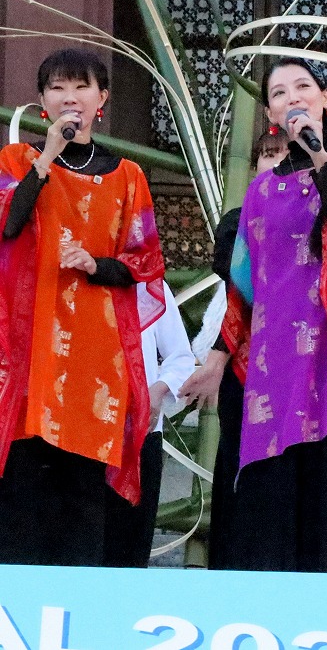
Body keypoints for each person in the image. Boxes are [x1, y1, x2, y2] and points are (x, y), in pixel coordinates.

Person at [190, 56, 327, 573]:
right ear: (270, 113)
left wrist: (321, 159)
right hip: (278, 365)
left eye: (302, 86)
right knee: (274, 507)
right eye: (279, 93)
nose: (293, 98)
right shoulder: (262, 190)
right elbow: (244, 284)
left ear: (325, 99)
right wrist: (218, 357)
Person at [0, 47, 166, 566]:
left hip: (97, 352)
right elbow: (7, 226)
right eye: (57, 88)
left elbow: (143, 262)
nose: (69, 97)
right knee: (24, 481)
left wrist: (96, 264)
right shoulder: (16, 161)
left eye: (81, 86)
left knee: (83, 490)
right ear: (43, 102)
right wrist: (46, 157)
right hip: (30, 347)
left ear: (102, 99)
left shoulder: (128, 176)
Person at [182, 128, 287, 569]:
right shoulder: (237, 219)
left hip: (299, 371)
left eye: (284, 154)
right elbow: (235, 271)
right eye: (266, 155)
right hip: (243, 367)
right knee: (239, 465)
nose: (274, 163)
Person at [104, 280, 197, 568]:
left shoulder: (148, 285)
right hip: (86, 436)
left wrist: (157, 392)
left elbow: (181, 357)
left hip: (140, 433)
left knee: (131, 545)